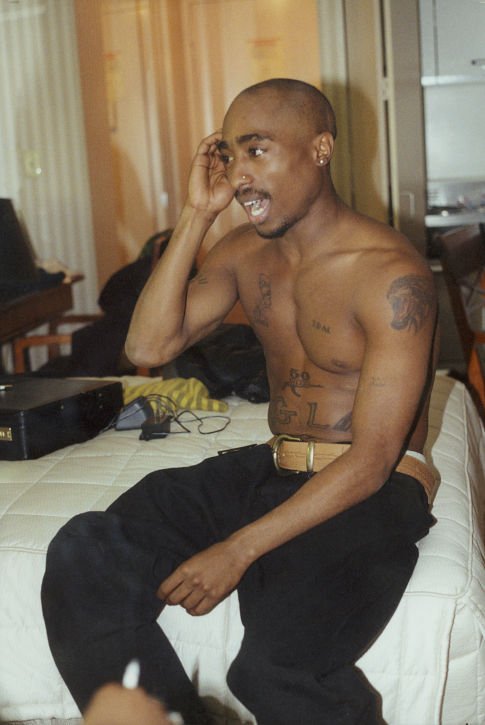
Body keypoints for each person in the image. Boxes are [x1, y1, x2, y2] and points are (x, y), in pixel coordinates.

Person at [42, 78, 438, 725]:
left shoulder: (390, 274)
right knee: (84, 555)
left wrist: (239, 548)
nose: (239, 175)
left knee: (272, 671)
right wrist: (197, 215)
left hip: (370, 487)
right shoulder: (243, 253)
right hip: (273, 464)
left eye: (256, 150)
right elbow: (147, 344)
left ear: (319, 149)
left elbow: (371, 460)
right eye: (229, 155)